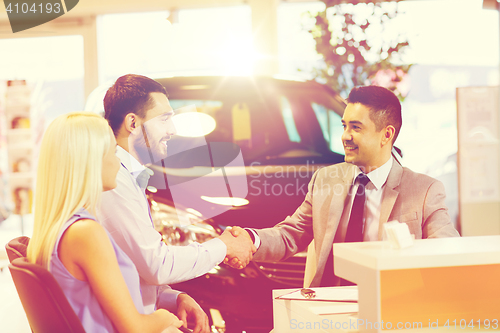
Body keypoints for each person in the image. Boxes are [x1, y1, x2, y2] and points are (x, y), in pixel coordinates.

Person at [229, 85, 460, 287]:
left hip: (389, 308)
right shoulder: (325, 180)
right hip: (326, 307)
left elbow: (448, 250)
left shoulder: (425, 190)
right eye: (344, 126)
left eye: (356, 128)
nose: (345, 136)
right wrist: (251, 240)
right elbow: (291, 234)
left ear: (386, 135)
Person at [97, 74, 255, 333]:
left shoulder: (130, 177)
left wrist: (173, 297)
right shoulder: (113, 182)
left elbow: (134, 268)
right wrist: (223, 245)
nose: (172, 130)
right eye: (164, 119)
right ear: (133, 123)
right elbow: (155, 265)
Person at [27, 112, 183, 332]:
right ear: (89, 161)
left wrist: (172, 299)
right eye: (112, 151)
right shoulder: (85, 233)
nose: (118, 161)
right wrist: (165, 318)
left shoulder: (63, 227)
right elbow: (135, 328)